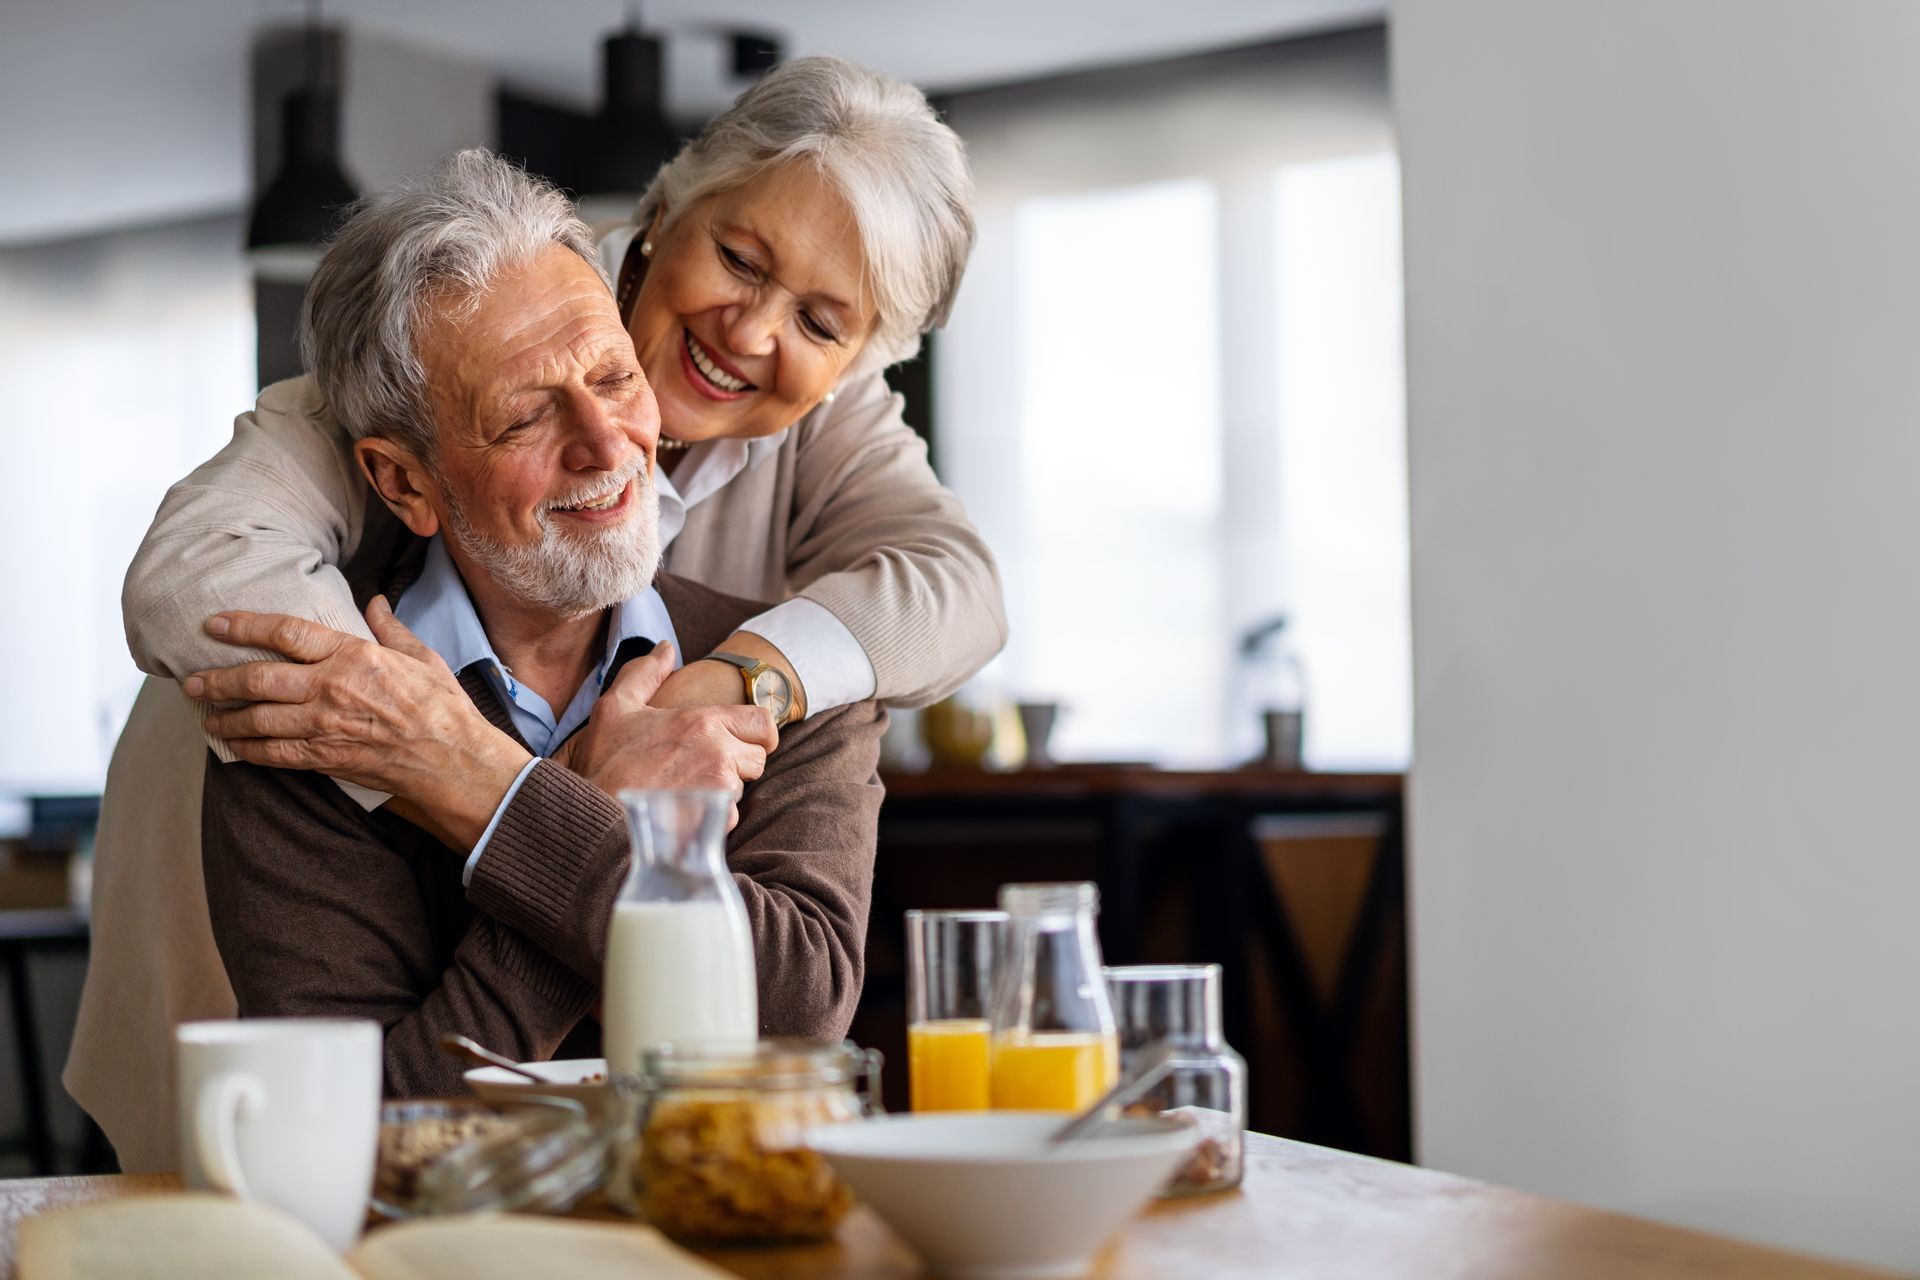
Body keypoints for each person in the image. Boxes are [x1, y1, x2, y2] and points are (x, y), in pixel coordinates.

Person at [67, 56, 1001, 1169]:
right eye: (739, 258)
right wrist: (463, 768)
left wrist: (718, 687)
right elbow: (192, 573)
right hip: (256, 870)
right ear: (666, 210)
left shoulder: (812, 510)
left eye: (819, 319)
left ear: (854, 360)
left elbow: (960, 586)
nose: (753, 330)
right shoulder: (461, 320)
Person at [195, 155, 884, 1093]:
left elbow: (792, 1025)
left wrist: (496, 801)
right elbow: (369, 1120)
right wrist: (603, 822)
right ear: (405, 482)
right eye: (526, 418)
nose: (607, 444)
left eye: (613, 375)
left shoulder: (787, 676)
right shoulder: (320, 714)